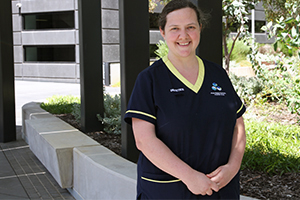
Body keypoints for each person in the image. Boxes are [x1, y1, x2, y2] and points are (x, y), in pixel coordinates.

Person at [124, 0, 246, 199]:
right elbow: (144, 140)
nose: (183, 36)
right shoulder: (149, 79)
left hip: (220, 189)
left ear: (200, 28)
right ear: (162, 32)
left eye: (190, 27)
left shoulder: (217, 74)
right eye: (175, 29)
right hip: (169, 190)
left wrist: (232, 167)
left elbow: (237, 125)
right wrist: (189, 176)